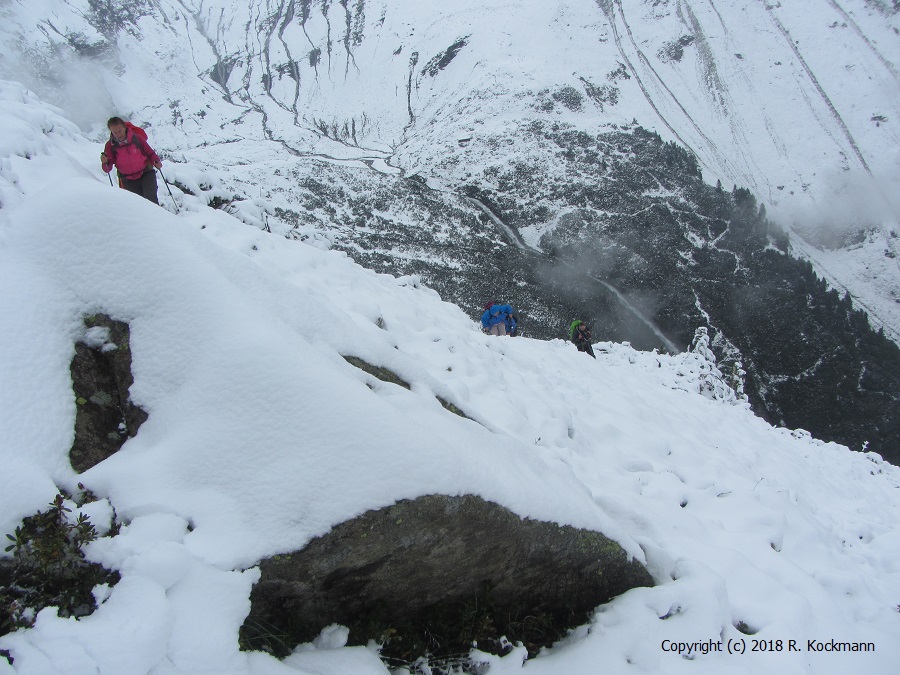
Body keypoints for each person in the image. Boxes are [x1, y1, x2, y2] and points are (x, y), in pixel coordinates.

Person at [100, 117, 163, 203]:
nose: (118, 134)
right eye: (115, 132)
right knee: (138, 204)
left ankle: (156, 216)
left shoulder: (137, 138)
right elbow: (107, 169)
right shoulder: (110, 146)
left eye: (120, 131)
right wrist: (105, 162)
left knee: (151, 200)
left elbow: (150, 153)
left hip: (146, 173)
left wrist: (156, 161)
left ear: (124, 127)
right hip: (128, 180)